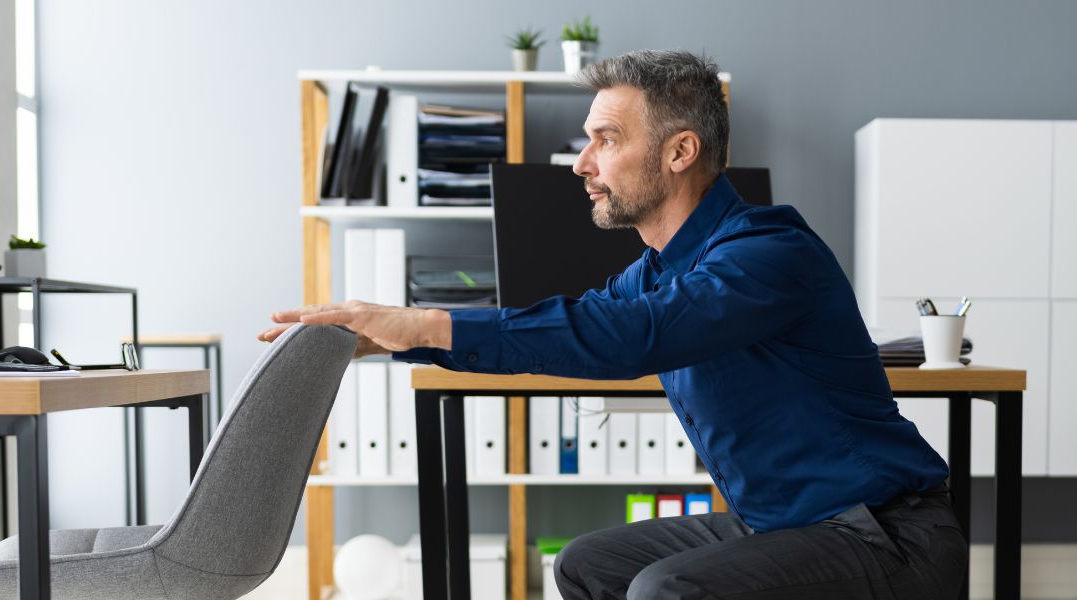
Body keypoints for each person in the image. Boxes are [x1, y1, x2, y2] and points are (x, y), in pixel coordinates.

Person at [261, 49, 964, 600]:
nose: (582, 163)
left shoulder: (767, 252)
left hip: (885, 534)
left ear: (679, 151)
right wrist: (387, 339)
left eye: (605, 139)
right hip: (780, 524)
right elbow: (587, 320)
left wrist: (417, 323)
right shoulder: (658, 268)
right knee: (589, 565)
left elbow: (632, 337)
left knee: (669, 589)